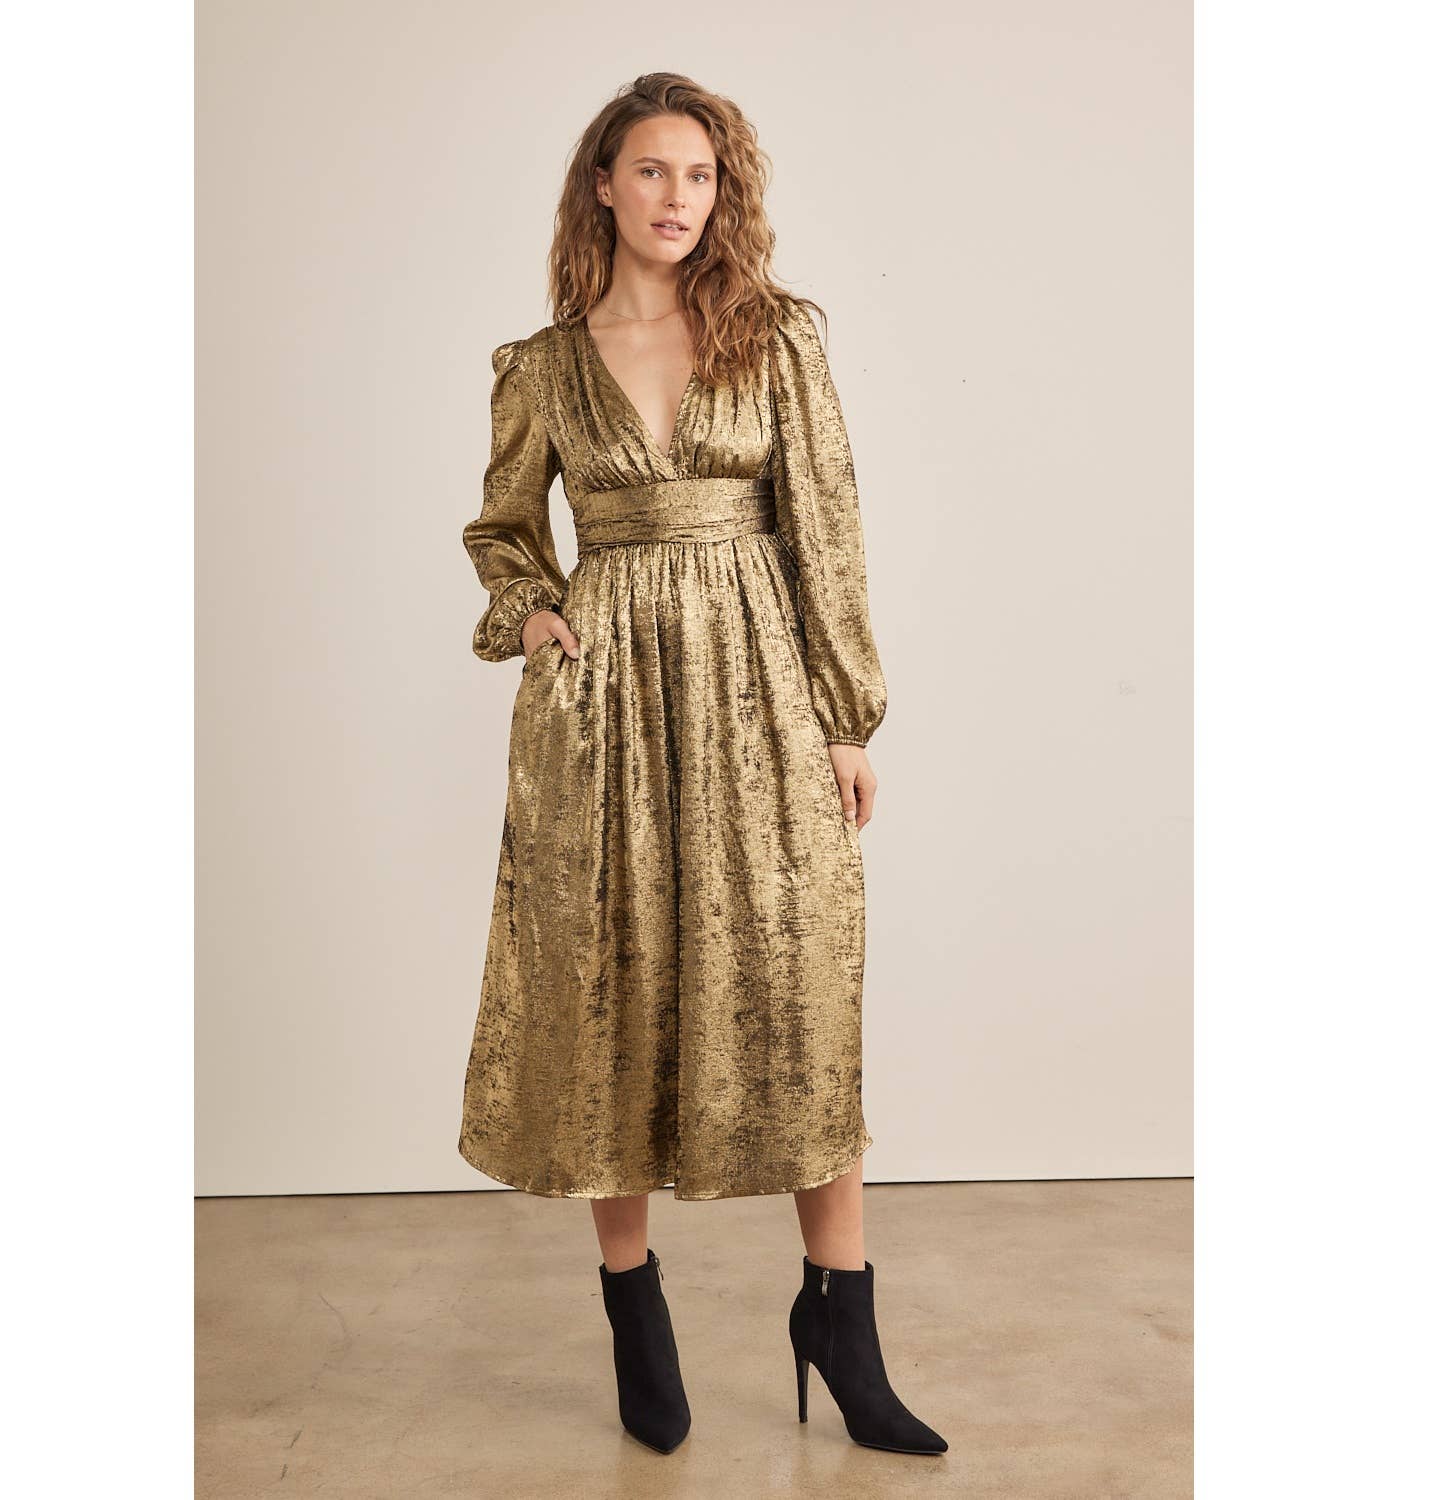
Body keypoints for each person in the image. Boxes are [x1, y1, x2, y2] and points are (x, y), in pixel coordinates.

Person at [458, 72, 948, 1458]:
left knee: (800, 982)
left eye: (701, 175)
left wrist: (845, 716)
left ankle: (840, 1319)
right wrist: (532, 610)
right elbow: (503, 530)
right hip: (602, 702)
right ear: (602, 186)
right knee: (608, 985)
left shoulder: (776, 335)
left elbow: (825, 526)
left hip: (760, 684)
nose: (678, 198)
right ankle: (635, 1311)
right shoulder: (542, 365)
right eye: (652, 171)